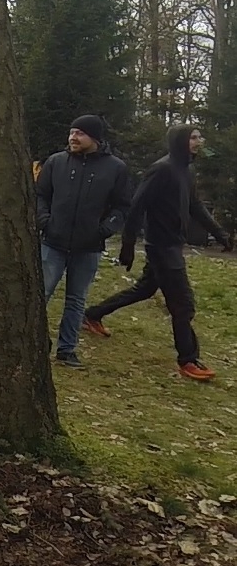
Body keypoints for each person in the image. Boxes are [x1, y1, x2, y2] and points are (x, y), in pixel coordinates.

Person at [84, 125, 230, 381]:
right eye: (194, 137)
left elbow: (195, 206)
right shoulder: (162, 169)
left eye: (199, 137)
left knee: (144, 289)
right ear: (181, 141)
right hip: (161, 247)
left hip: (173, 244)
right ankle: (188, 360)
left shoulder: (187, 170)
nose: (199, 141)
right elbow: (137, 205)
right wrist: (128, 245)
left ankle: (93, 314)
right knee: (183, 305)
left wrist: (220, 234)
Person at [34, 115, 129, 370]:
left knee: (76, 300)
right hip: (53, 242)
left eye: (80, 133)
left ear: (95, 138)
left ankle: (67, 350)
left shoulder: (115, 168)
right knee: (40, 294)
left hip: (88, 247)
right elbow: (41, 195)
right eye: (71, 132)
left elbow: (122, 206)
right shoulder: (56, 162)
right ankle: (34, 344)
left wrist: (104, 230)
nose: (73, 137)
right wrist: (44, 220)